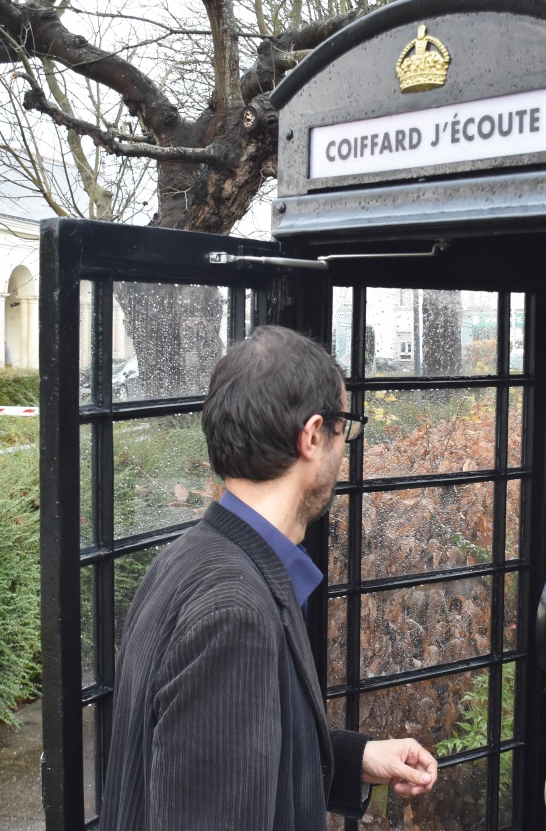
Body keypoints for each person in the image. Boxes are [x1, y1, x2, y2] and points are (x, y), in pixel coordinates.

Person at [100, 325, 438, 830]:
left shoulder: (188, 557)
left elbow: (225, 766)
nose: (345, 446)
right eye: (344, 427)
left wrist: (355, 760)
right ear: (311, 436)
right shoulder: (235, 612)